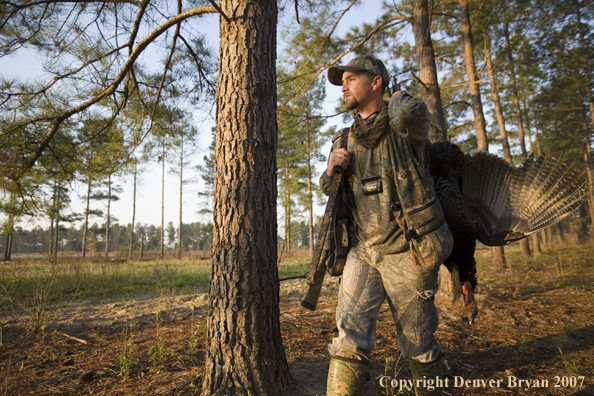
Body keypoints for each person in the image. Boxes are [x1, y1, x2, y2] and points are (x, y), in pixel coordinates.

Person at [321, 55, 454, 396]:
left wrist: (397, 100)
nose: (344, 87)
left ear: (376, 81)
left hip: (408, 250)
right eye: (342, 81)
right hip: (362, 252)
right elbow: (331, 191)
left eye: (351, 78)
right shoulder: (343, 138)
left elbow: (413, 115)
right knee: (347, 338)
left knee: (418, 341)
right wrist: (330, 171)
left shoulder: (404, 127)